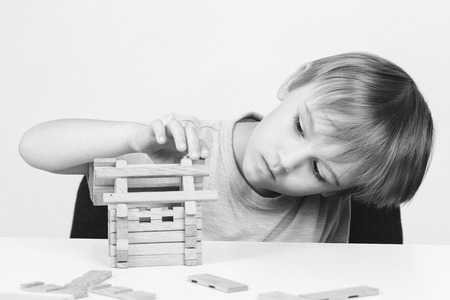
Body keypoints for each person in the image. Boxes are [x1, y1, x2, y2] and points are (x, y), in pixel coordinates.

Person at [19, 52, 434, 243]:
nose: (285, 161)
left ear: (337, 192)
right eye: (298, 127)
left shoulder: (339, 207)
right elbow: (33, 147)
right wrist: (133, 139)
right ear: (293, 82)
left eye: (319, 172)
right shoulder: (179, 146)